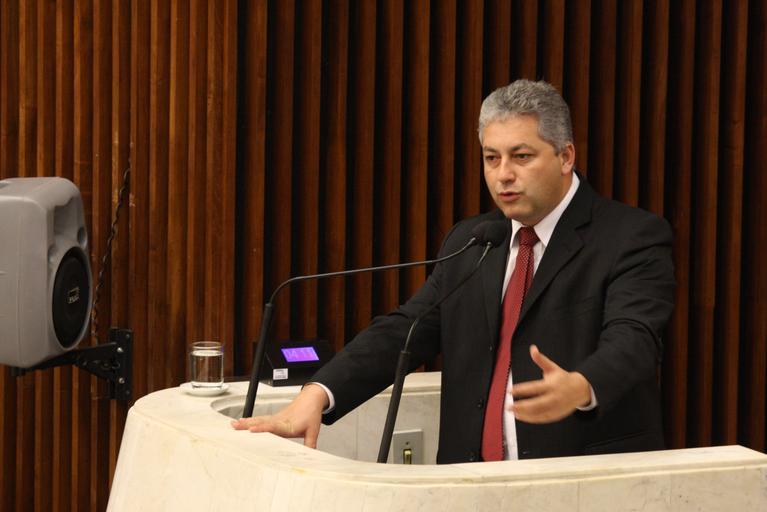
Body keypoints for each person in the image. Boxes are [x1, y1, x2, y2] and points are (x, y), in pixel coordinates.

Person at [232, 79, 675, 464]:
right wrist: (318, 394)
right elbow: (406, 330)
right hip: (469, 483)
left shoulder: (630, 237)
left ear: (565, 156)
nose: (503, 175)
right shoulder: (475, 241)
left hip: (583, 481)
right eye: (491, 158)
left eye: (521, 156)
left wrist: (583, 385)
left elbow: (634, 339)